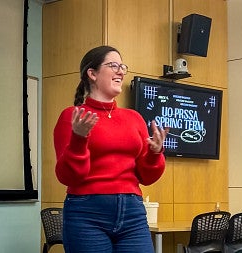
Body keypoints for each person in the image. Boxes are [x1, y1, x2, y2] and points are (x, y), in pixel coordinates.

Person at [53, 45, 169, 253]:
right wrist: (79, 139)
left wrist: (154, 154)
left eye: (122, 66)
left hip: (133, 213)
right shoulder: (73, 116)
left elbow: (146, 176)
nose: (121, 71)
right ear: (92, 74)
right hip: (87, 213)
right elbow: (67, 176)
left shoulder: (134, 118)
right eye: (113, 65)